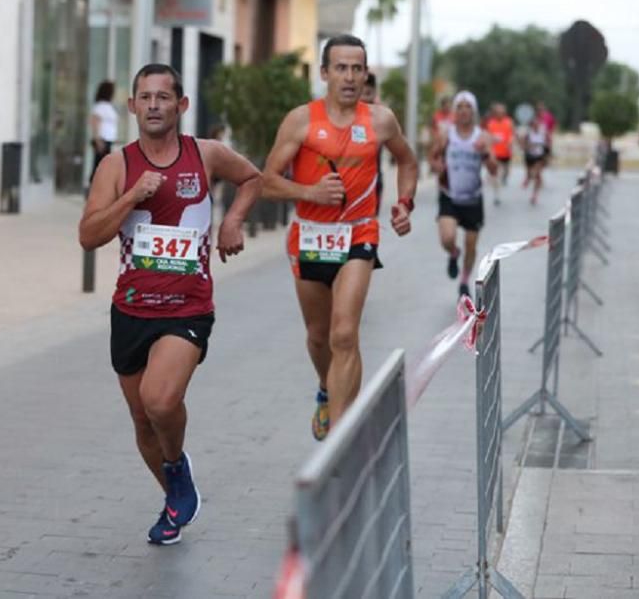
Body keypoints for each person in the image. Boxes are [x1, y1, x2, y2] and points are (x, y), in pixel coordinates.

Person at [79, 64, 261, 545]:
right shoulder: (117, 166)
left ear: (181, 106)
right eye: (145, 97)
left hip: (187, 306)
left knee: (160, 401)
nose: (154, 105)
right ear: (133, 107)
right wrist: (131, 199)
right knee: (141, 419)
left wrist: (233, 222)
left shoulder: (206, 154)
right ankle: (175, 494)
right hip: (132, 308)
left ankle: (176, 467)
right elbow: (88, 235)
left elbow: (252, 179)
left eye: (164, 97)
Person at [262, 35, 417, 441]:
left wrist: (404, 202)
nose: (350, 77)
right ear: (324, 73)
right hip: (310, 236)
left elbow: (407, 160)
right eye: (341, 68)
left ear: (366, 74)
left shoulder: (381, 120)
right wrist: (308, 193)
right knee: (318, 336)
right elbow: (267, 182)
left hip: (358, 234)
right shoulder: (301, 120)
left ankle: (342, 440)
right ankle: (327, 388)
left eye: (357, 68)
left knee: (344, 333)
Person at [429, 91, 497, 298]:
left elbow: (494, 170)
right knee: (447, 237)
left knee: (471, 245)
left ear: (474, 111)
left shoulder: (483, 136)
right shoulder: (445, 134)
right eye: (460, 107)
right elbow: (432, 158)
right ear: (454, 111)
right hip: (449, 195)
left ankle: (464, 281)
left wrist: (484, 153)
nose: (464, 111)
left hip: (473, 198)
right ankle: (453, 253)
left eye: (468, 107)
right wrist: (437, 166)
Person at [361, 72, 385, 216]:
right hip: (347, 181)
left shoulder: (381, 117)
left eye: (368, 92)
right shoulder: (343, 114)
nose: (364, 97)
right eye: (362, 92)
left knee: (369, 224)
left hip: (373, 179)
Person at [88, 81, 119, 183]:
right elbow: (95, 123)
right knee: (99, 166)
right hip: (101, 140)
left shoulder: (109, 106)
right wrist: (97, 140)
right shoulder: (100, 106)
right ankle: (93, 187)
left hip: (108, 140)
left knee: (105, 166)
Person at [485, 102, 515, 205]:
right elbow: (488, 138)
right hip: (495, 153)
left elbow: (511, 135)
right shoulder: (491, 123)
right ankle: (496, 196)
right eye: (497, 112)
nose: (499, 114)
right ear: (495, 113)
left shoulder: (508, 122)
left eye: (501, 112)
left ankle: (504, 178)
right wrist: (489, 150)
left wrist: (510, 143)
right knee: (495, 175)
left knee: (505, 172)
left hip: (506, 152)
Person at [522, 115, 549, 205]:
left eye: (537, 124)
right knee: (531, 174)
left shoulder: (543, 133)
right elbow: (524, 146)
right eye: (534, 124)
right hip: (530, 156)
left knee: (537, 175)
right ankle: (528, 178)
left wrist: (547, 156)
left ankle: (534, 195)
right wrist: (530, 146)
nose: (536, 126)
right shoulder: (528, 133)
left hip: (539, 156)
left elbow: (547, 145)